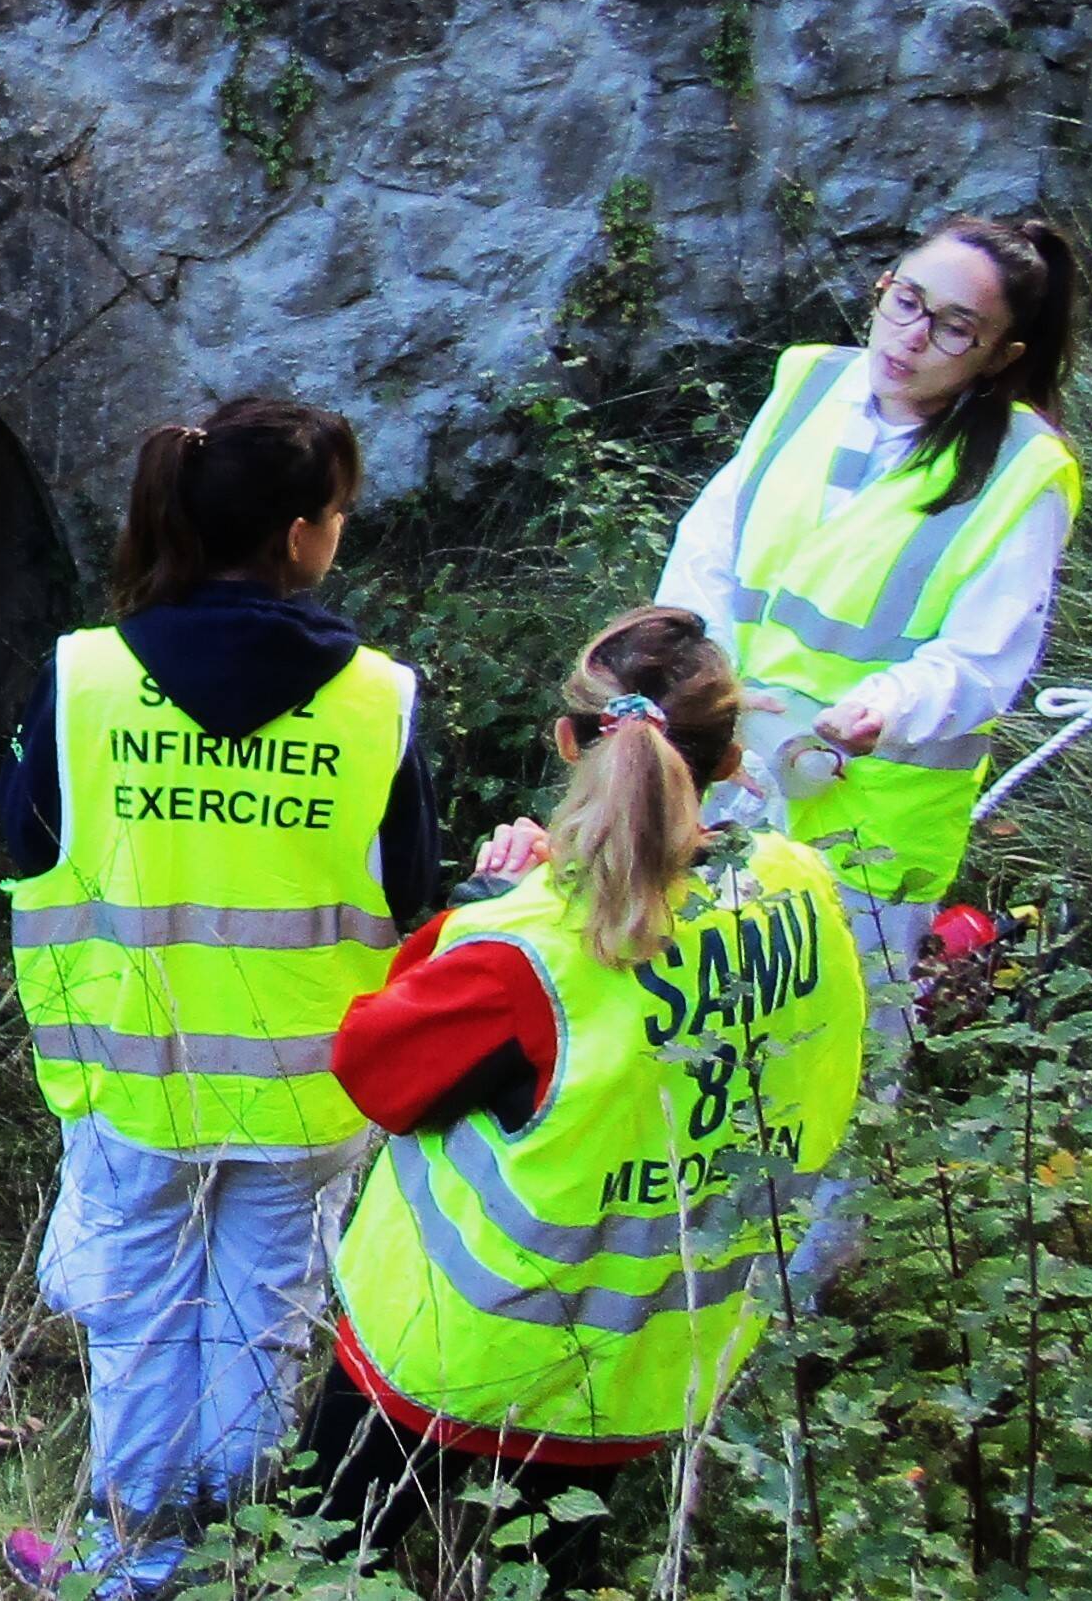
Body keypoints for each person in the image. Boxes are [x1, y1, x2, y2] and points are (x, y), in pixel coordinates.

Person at [294, 607, 865, 1597]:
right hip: (649, 1357)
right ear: (732, 757)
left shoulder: (531, 940)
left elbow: (374, 1070)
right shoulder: (801, 887)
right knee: (556, 1571)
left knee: (327, 1556)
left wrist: (480, 904)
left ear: (568, 741)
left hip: (455, 1346)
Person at [0, 397, 444, 1600]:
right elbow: (409, 892)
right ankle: (230, 1563)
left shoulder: (81, 678)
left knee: (138, 1326)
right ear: (302, 534)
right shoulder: (376, 701)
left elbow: (25, 842)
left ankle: (128, 1563)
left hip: (129, 1077)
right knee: (263, 1321)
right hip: (309, 1089)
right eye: (339, 514)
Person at [654, 217, 1085, 1068]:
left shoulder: (1023, 469)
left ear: (1001, 353)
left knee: (828, 1068)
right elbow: (708, 548)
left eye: (953, 326)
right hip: (727, 774)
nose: (912, 336)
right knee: (695, 1049)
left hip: (867, 824)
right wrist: (692, 673)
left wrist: (885, 705)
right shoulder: (809, 383)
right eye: (906, 300)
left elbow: (982, 659)